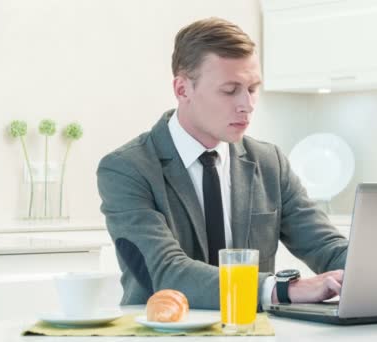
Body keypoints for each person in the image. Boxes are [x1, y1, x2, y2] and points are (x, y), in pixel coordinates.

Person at [97, 17, 348, 310]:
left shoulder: (270, 163)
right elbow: (165, 273)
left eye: (253, 89)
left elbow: (326, 247)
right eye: (230, 90)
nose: (247, 104)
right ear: (182, 90)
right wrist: (283, 288)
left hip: (252, 333)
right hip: (166, 332)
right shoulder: (127, 169)